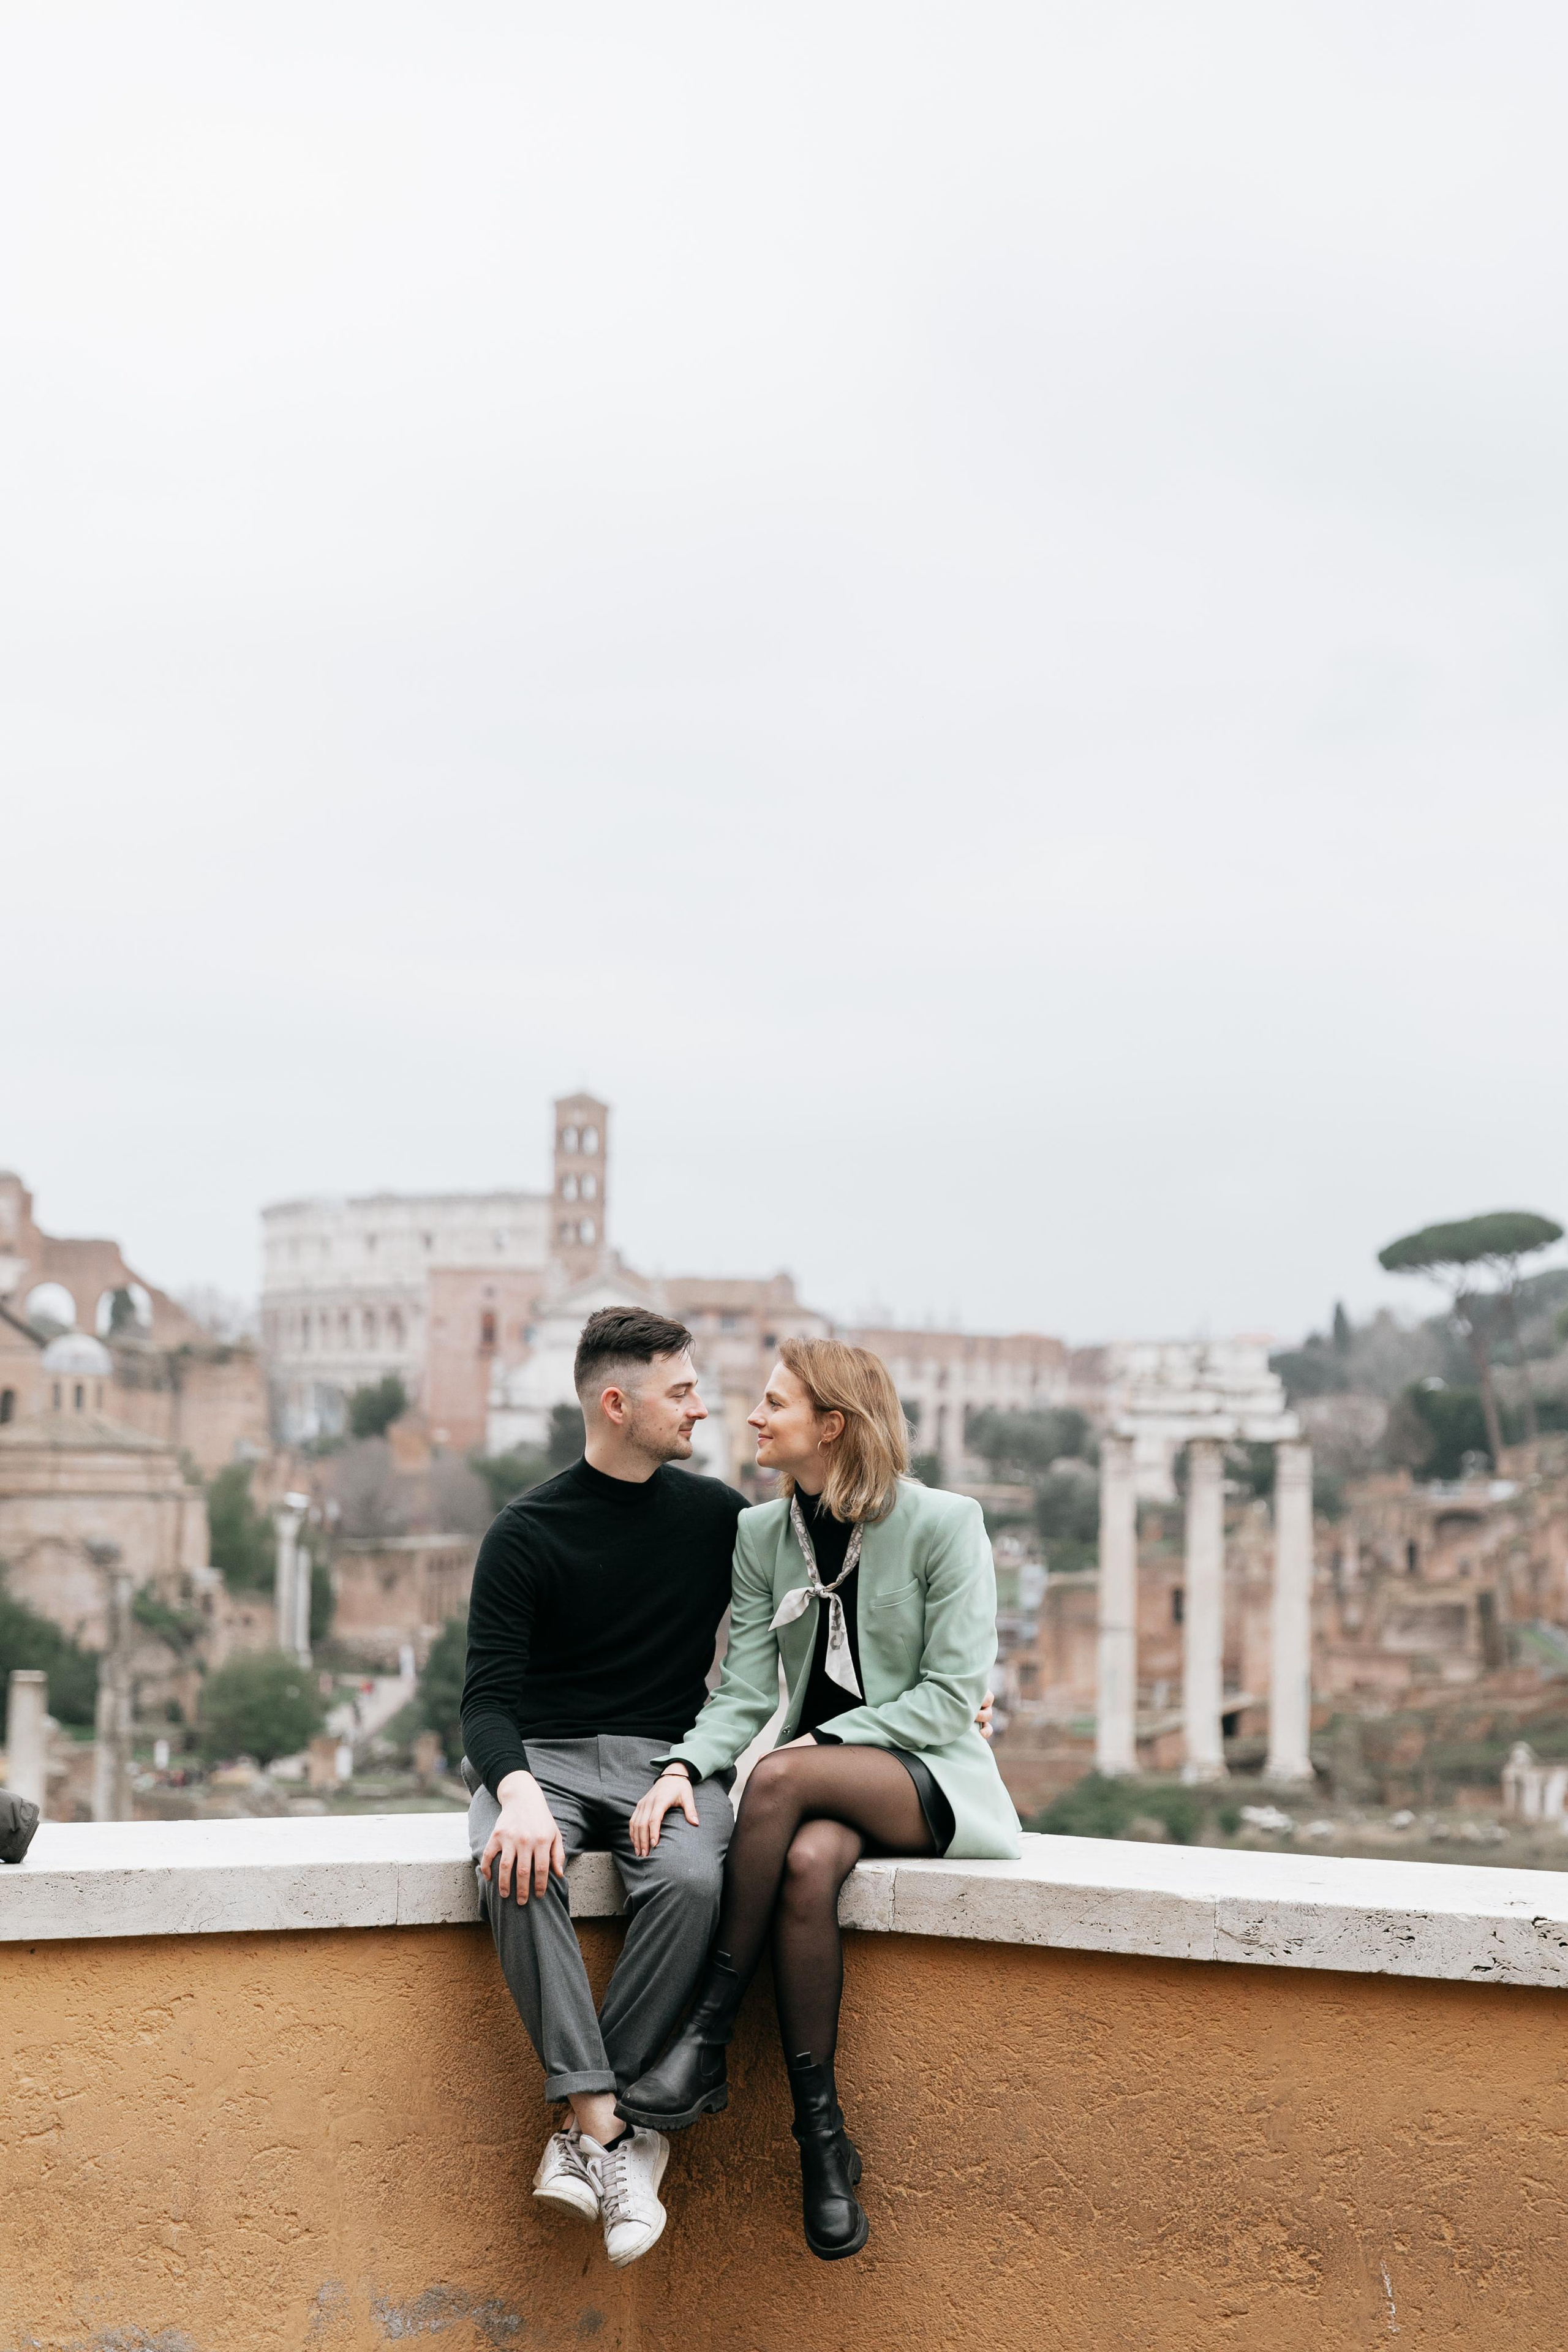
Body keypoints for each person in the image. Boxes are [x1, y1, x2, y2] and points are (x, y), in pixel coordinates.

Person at [616, 1336, 1021, 2261]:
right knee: (804, 1865)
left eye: (774, 1404)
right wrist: (683, 1767)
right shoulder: (762, 1537)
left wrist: (821, 1743)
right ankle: (823, 2146)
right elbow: (746, 1691)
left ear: (831, 1425)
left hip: (929, 1778)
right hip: (820, 1805)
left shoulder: (944, 1524)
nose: (751, 1417)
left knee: (782, 1775)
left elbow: (952, 1698)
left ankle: (708, 2036)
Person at [459, 1306, 747, 2269]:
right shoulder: (524, 1531)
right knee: (513, 1865)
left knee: (696, 1881)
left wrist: (956, 1699)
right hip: (542, 1757)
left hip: (664, 1759)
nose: (702, 1410)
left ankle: (591, 2129)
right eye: (682, 1392)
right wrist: (519, 1793)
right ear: (617, 1404)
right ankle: (616, 2130)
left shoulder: (717, 1519)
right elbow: (486, 1703)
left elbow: (818, 1607)